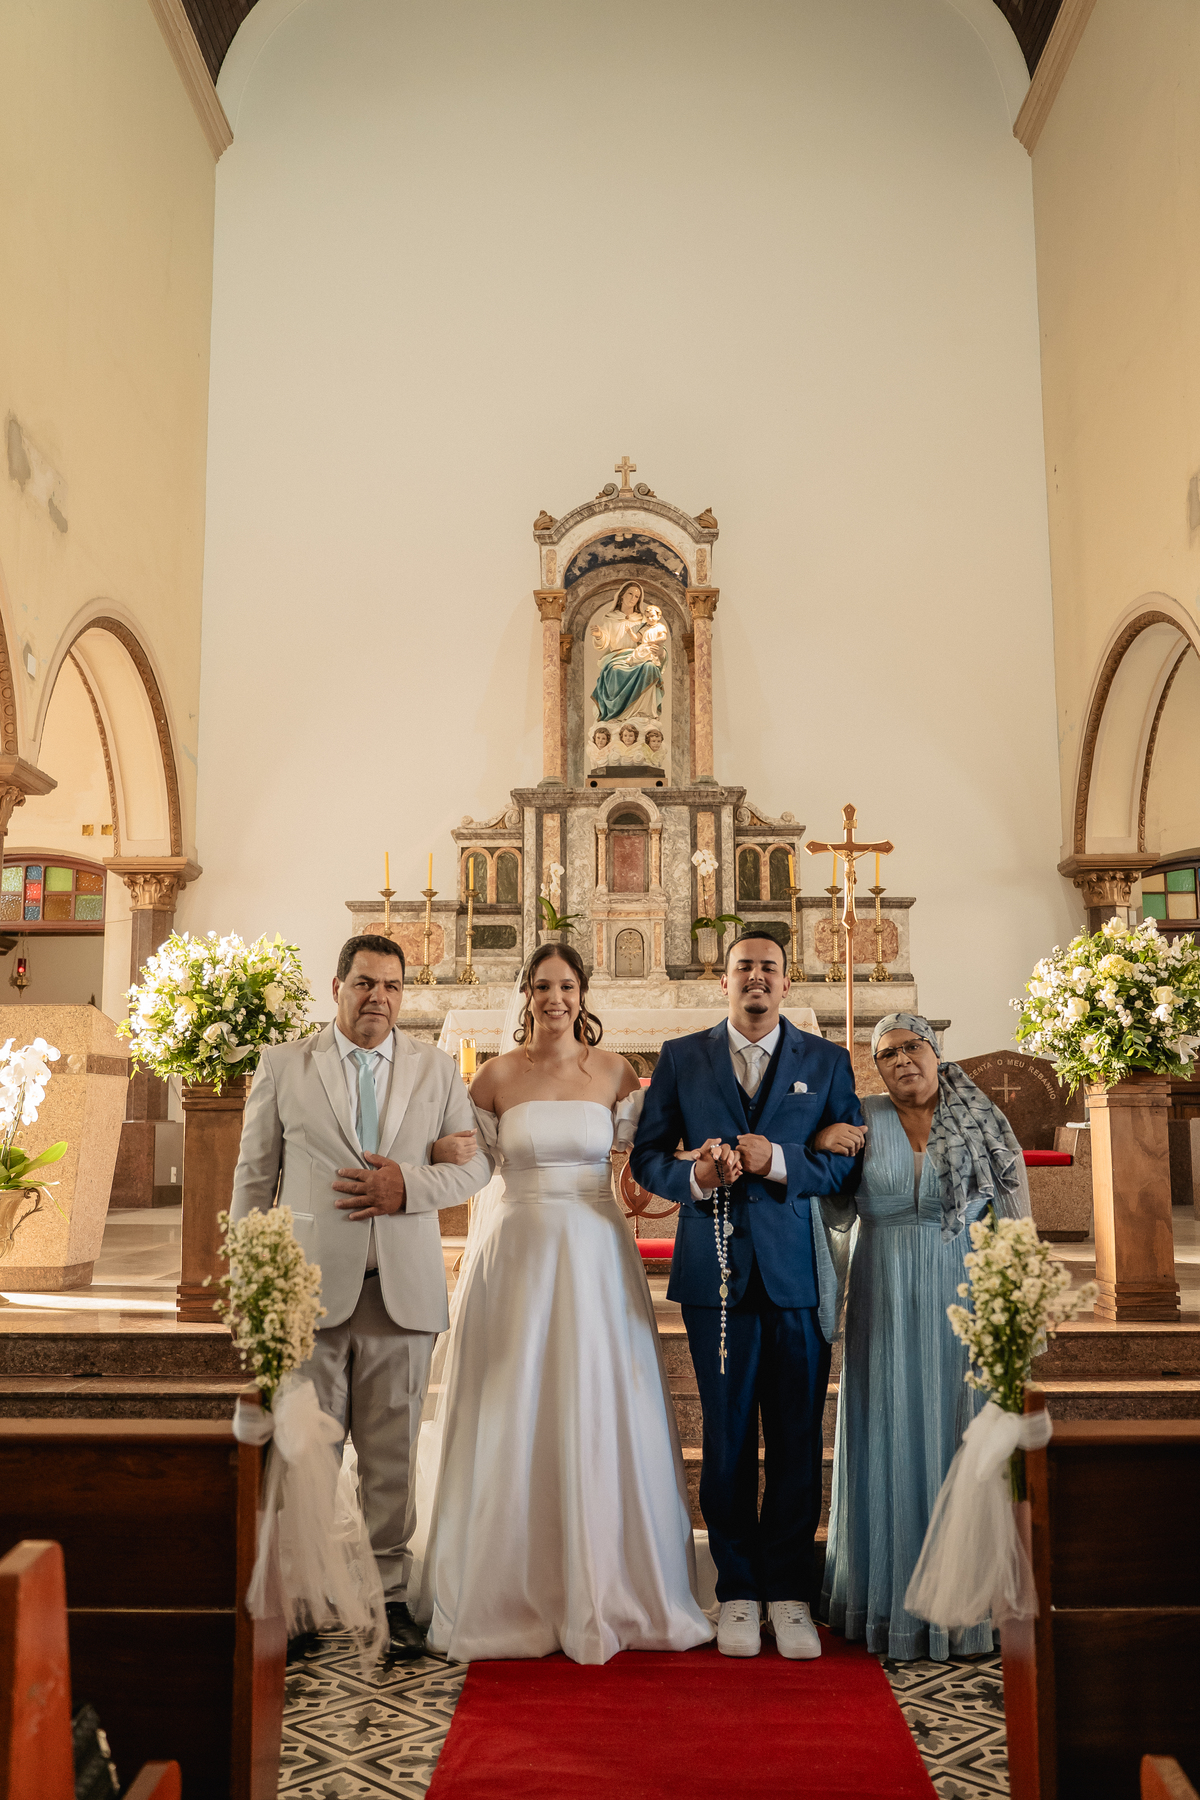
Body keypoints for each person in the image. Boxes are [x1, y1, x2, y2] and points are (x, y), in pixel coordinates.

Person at [416, 941, 712, 1665]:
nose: (555, 998)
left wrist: (685, 1171)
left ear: (583, 994)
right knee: (512, 1397)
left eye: (567, 986)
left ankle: (609, 1580)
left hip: (592, 1248)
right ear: (526, 994)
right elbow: (475, 1162)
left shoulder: (615, 1073)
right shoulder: (493, 1076)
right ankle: (505, 1587)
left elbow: (642, 1166)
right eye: (543, 986)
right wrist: (442, 1155)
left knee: (596, 1396)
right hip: (516, 1247)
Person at [229, 934, 489, 1663]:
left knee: (391, 1451)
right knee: (304, 1454)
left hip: (401, 1291)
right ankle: (300, 1599)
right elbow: (254, 1179)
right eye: (366, 983)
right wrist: (252, 1287)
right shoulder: (285, 1065)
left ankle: (389, 1596)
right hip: (308, 1291)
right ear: (338, 985)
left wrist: (407, 1184)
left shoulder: (436, 1068)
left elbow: (474, 1169)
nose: (379, 997)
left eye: (392, 986)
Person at [631, 933, 864, 1660]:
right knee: (727, 1436)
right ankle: (736, 1589)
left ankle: (789, 1591)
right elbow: (646, 1158)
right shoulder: (681, 1057)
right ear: (725, 981)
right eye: (744, 968)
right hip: (716, 1273)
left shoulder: (826, 1062)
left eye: (769, 968)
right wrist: (696, 1177)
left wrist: (781, 1159)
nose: (756, 977)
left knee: (796, 1436)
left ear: (786, 984)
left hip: (796, 1277)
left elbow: (846, 1170)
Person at [820, 1012, 1031, 1662]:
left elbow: (1013, 1219)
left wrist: (1014, 1315)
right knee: (886, 1430)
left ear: (936, 1050)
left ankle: (966, 1608)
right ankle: (885, 1603)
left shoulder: (982, 1119)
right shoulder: (862, 1118)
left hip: (962, 1297)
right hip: (882, 1297)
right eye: (886, 1054)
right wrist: (822, 1144)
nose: (901, 1060)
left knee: (956, 1436)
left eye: (912, 1046)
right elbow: (832, 1207)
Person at [590, 579, 668, 723]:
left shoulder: (643, 620)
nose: (633, 598)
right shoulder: (611, 618)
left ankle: (643, 714)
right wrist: (599, 635)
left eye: (637, 596)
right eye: (630, 594)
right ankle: (615, 716)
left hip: (639, 656)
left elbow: (654, 638)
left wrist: (660, 652)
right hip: (617, 657)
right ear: (621, 595)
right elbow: (604, 640)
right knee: (614, 670)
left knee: (650, 668)